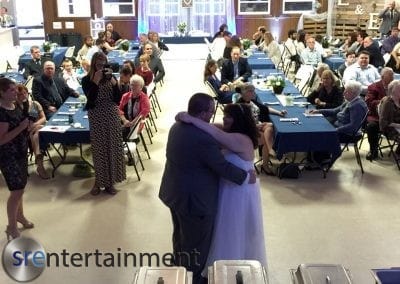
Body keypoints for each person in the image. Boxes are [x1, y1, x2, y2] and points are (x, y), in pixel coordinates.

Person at [159, 93, 256, 284]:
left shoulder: (176, 127)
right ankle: (192, 277)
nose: (214, 116)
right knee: (196, 243)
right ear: (203, 114)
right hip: (195, 200)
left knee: (180, 234)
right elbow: (222, 167)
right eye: (211, 112)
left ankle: (179, 264)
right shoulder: (203, 138)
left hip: (174, 192)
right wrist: (245, 177)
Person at [176, 103, 267, 276]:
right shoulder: (231, 132)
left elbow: (212, 131)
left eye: (228, 116)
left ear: (237, 120)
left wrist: (190, 118)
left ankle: (232, 270)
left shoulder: (241, 139)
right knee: (227, 227)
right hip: (231, 188)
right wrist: (188, 116)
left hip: (239, 192)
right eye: (224, 115)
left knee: (234, 229)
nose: (224, 119)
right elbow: (211, 126)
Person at [81, 52, 126, 195]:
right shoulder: (87, 80)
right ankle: (98, 182)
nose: (101, 67)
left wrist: (114, 83)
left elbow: (118, 100)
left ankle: (110, 183)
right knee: (99, 151)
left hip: (112, 116)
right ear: (94, 64)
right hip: (97, 116)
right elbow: (90, 99)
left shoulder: (111, 78)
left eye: (104, 64)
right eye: (98, 64)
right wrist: (95, 81)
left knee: (112, 149)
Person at [0, 78, 33, 241]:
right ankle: (11, 225)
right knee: (16, 190)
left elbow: (21, 125)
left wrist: (27, 126)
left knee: (21, 186)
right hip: (7, 154)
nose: (16, 92)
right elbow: (1, 139)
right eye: (12, 90)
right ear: (2, 93)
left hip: (20, 151)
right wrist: (21, 127)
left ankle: (20, 216)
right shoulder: (2, 112)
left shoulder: (15, 105)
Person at [236, 83, 286, 175]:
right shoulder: (239, 105)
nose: (253, 93)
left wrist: (279, 113)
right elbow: (239, 124)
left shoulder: (252, 101)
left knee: (270, 126)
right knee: (267, 138)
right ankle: (266, 164)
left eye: (253, 91)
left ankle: (270, 152)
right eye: (251, 91)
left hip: (257, 126)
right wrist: (254, 126)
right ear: (245, 92)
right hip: (247, 131)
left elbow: (265, 109)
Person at [15, 84, 49, 179]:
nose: (23, 96)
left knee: (36, 131)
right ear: (16, 96)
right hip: (23, 132)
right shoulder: (15, 107)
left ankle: (38, 160)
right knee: (34, 135)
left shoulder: (35, 103)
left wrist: (35, 124)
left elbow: (43, 118)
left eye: (25, 93)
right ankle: (40, 164)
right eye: (20, 94)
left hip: (37, 127)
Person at [365, 67, 394, 161]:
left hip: (394, 116)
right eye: (390, 76)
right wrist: (383, 102)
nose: (393, 78)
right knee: (371, 126)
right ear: (382, 76)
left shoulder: (395, 86)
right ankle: (373, 151)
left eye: (393, 75)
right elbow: (369, 102)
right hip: (377, 116)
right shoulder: (373, 87)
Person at [119, 74, 150, 152]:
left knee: (118, 133)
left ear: (141, 87)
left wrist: (132, 123)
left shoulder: (144, 98)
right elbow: (119, 110)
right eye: (132, 85)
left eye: (136, 85)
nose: (133, 87)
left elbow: (144, 113)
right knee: (113, 130)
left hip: (137, 124)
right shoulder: (125, 96)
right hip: (125, 122)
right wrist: (124, 120)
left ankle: (125, 153)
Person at [379, 80, 400, 156]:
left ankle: (398, 151)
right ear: (392, 90)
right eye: (398, 88)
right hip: (390, 129)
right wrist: (397, 125)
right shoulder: (387, 102)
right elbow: (383, 122)